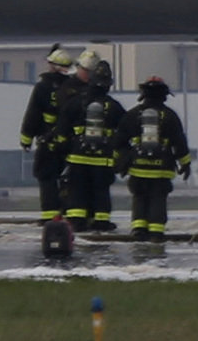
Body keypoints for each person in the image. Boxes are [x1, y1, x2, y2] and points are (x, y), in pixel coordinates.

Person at [53, 57, 125, 231]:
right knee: (101, 191)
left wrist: (62, 148)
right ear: (108, 84)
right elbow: (124, 131)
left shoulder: (75, 102)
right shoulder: (114, 106)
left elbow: (62, 129)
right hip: (103, 160)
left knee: (77, 190)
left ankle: (77, 221)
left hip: (78, 158)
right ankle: (101, 221)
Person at [118, 75, 192, 242]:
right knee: (158, 198)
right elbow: (180, 143)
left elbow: (119, 141)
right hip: (162, 169)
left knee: (139, 197)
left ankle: (138, 230)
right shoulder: (170, 116)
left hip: (138, 168)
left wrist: (122, 162)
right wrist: (185, 164)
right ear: (164, 95)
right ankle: (156, 233)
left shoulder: (132, 115)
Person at [20, 45, 76, 221]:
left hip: (47, 142)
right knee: (70, 178)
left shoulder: (42, 87)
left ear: (52, 66)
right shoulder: (74, 88)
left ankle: (49, 216)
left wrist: (26, 139)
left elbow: (33, 114)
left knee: (47, 177)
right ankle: (71, 213)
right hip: (70, 143)